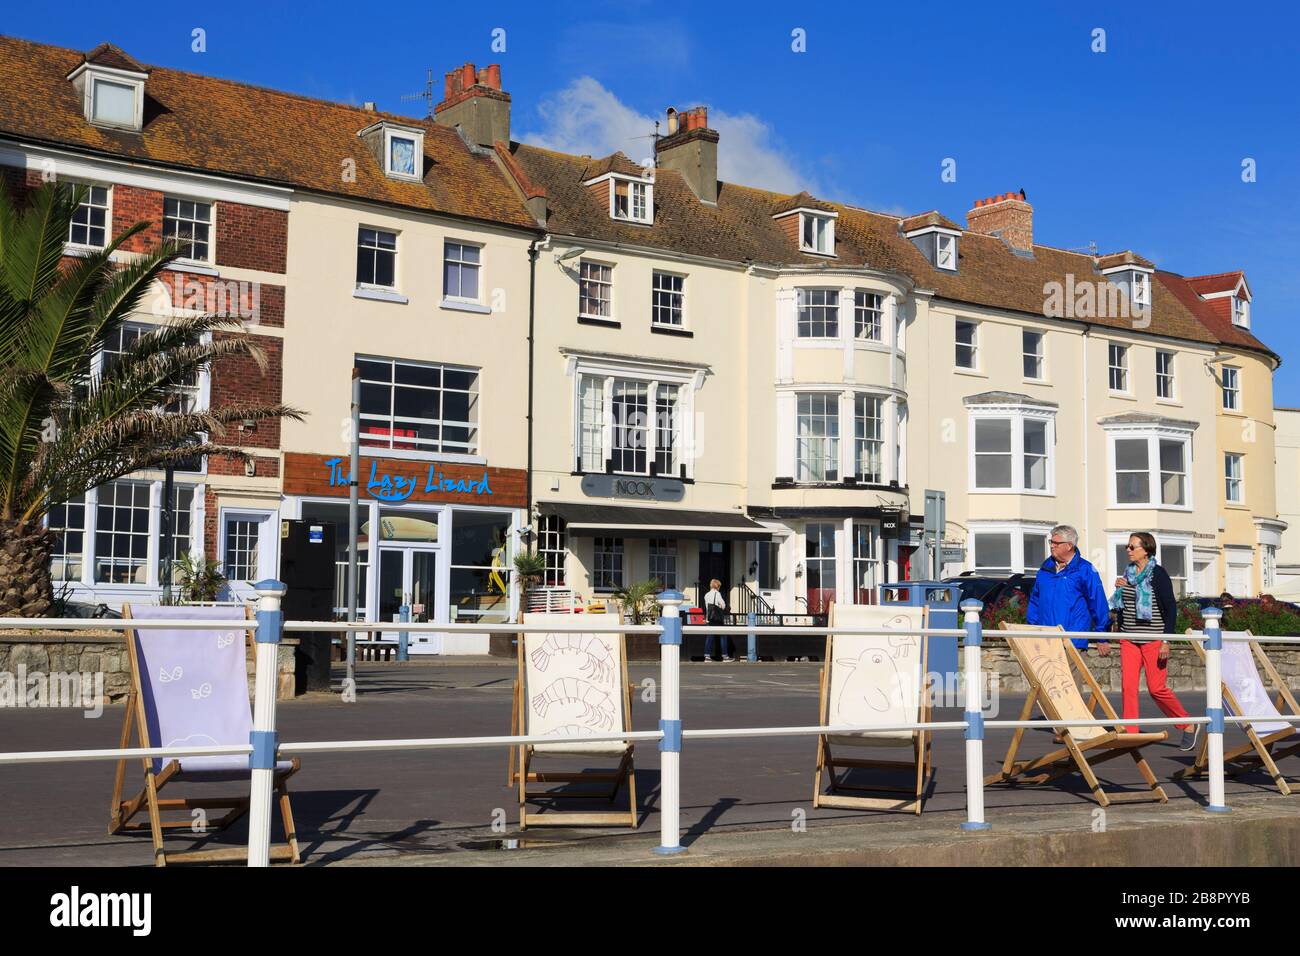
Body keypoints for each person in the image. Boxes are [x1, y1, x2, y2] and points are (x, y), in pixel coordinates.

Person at [1098, 533, 1197, 750]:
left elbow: (1171, 608)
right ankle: (1130, 732)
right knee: (1128, 687)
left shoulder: (1158, 574)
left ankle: (1187, 723)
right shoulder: (1129, 573)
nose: (1128, 550)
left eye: (1132, 546)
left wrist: (1166, 640)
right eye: (1127, 546)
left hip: (1154, 638)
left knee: (1156, 688)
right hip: (1129, 638)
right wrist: (1120, 589)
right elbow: (1121, 606)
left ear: (1146, 549)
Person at [1026, 524, 1111, 651]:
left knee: (1069, 672)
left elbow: (1098, 603)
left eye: (1056, 543)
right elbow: (1035, 601)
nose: (1051, 545)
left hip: (1072, 642)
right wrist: (1033, 630)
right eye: (1051, 541)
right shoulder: (1044, 570)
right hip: (1045, 641)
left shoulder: (1085, 570)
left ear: (1069, 545)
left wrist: (1102, 636)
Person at [702, 579, 734, 662]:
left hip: (709, 618)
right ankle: (725, 656)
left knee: (709, 637)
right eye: (719, 586)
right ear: (717, 586)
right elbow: (723, 605)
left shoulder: (706, 595)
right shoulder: (717, 594)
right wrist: (720, 606)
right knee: (723, 636)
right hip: (717, 619)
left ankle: (707, 656)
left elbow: (707, 607)